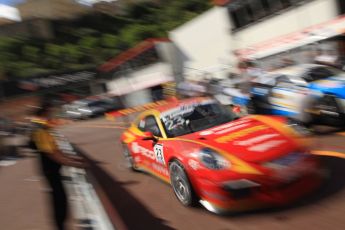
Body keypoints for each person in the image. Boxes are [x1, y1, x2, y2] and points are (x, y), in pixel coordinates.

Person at [31, 99, 86, 230]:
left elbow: (56, 150)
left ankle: (61, 225)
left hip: (53, 170)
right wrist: (74, 164)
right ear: (46, 111)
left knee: (61, 199)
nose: (52, 114)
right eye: (50, 112)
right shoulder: (40, 129)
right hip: (51, 171)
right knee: (59, 200)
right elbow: (52, 154)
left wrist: (73, 159)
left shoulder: (45, 127)